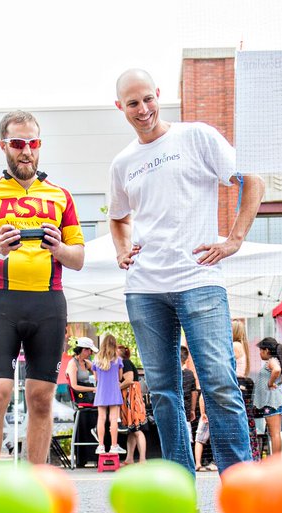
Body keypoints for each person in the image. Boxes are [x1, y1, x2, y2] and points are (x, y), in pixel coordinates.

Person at [109, 69, 263, 475]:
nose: (143, 110)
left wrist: (234, 239)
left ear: (159, 95)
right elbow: (118, 218)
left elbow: (253, 180)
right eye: (132, 103)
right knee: (162, 391)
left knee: (219, 383)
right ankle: (179, 486)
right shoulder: (123, 162)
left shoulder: (197, 136)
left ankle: (239, 485)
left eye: (147, 99)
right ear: (120, 107)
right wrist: (123, 249)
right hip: (144, 289)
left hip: (199, 280)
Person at [0, 110, 85, 464]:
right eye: (17, 143)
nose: (26, 151)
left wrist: (58, 247)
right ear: (3, 146)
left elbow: (78, 258)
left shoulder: (60, 196)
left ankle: (36, 485)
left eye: (33, 143)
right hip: (0, 301)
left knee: (42, 397)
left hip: (48, 302)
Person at [253, 337, 282, 457]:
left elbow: (277, 370)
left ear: (267, 350)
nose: (259, 353)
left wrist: (270, 383)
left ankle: (276, 460)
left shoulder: (272, 361)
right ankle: (276, 459)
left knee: (274, 433)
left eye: (261, 350)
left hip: (271, 402)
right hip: (274, 401)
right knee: (275, 433)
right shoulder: (275, 360)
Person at [92, 334, 125, 456]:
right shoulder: (118, 359)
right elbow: (120, 377)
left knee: (101, 418)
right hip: (114, 391)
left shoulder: (96, 359)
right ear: (114, 344)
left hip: (101, 392)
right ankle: (114, 446)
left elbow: (96, 378)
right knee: (113, 420)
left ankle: (100, 446)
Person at [232, 319, 258, 459]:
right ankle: (252, 454)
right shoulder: (243, 345)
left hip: (237, 384)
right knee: (246, 419)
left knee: (239, 420)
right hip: (243, 384)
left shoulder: (235, 345)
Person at [118, 345, 147, 465]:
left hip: (132, 398)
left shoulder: (125, 362)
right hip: (130, 398)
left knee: (137, 429)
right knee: (132, 430)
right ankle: (129, 459)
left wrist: (114, 389)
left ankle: (142, 459)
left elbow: (129, 380)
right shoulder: (125, 362)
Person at [64, 338, 97, 406]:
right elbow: (74, 386)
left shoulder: (86, 363)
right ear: (84, 350)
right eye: (91, 351)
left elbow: (99, 375)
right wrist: (94, 389)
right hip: (80, 396)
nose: (91, 354)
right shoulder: (73, 364)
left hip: (88, 394)